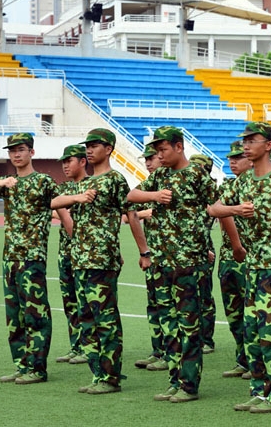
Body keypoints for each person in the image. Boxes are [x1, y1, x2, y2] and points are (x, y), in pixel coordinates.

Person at [210, 122, 271, 413]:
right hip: (252, 266)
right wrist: (236, 210)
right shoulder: (243, 181)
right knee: (253, 331)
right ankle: (259, 390)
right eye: (245, 140)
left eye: (253, 140)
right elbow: (214, 209)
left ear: (269, 145)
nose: (246, 145)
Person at [52, 128, 148, 395]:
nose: (90, 150)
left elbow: (131, 214)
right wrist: (76, 198)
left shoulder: (115, 180)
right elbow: (52, 202)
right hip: (79, 260)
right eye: (88, 146)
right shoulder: (82, 184)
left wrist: (144, 251)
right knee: (86, 320)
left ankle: (110, 376)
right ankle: (98, 374)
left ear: (109, 149)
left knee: (105, 319)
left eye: (96, 145)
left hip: (101, 260)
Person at [128, 127, 217, 403]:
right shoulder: (160, 175)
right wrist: (154, 196)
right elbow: (131, 195)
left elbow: (217, 207)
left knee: (189, 325)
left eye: (163, 149)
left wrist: (232, 245)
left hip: (190, 263)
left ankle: (189, 384)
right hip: (164, 262)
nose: (159, 155)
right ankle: (174, 379)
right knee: (170, 325)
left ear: (179, 147)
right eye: (156, 151)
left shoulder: (196, 175)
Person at [0, 132, 63, 384]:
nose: (16, 154)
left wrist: (71, 230)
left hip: (32, 257)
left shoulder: (43, 181)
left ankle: (37, 368)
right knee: (15, 316)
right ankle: (22, 366)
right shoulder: (6, 182)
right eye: (12, 150)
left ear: (31, 152)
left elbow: (60, 205)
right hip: (10, 258)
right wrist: (0, 184)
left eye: (21, 149)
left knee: (36, 314)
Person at [217, 141, 252, 379]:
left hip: (250, 257)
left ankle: (255, 360)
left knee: (253, 313)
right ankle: (243, 358)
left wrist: (238, 245)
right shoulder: (230, 186)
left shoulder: (255, 185)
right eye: (230, 157)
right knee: (234, 312)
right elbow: (219, 212)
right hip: (229, 257)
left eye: (238, 157)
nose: (233, 161)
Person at [133, 145, 167, 370]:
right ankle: (158, 350)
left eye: (151, 158)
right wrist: (144, 251)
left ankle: (170, 354)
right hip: (154, 254)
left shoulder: (173, 182)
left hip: (173, 256)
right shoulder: (151, 186)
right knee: (154, 305)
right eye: (145, 159)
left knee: (168, 307)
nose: (148, 163)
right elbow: (130, 209)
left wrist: (146, 212)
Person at [54, 144, 89, 365]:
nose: (66, 165)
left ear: (83, 161)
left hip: (85, 254)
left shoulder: (90, 186)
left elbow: (71, 227)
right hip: (66, 253)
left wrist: (62, 208)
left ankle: (89, 346)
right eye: (64, 162)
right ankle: (76, 345)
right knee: (70, 302)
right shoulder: (65, 187)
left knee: (87, 303)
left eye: (70, 161)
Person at [189, 153, 218, 355]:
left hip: (203, 248)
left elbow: (206, 222)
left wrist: (205, 247)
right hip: (188, 250)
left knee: (204, 295)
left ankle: (206, 338)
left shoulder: (208, 191)